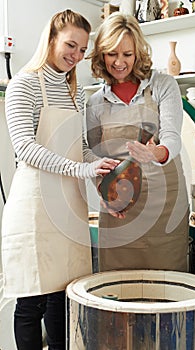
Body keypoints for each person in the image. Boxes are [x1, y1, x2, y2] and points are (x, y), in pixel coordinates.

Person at [1, 9, 119, 350]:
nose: (76, 56)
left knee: (61, 297)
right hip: (36, 204)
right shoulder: (23, 84)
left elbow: (78, 147)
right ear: (51, 38)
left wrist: (102, 167)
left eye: (83, 50)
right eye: (70, 45)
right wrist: (82, 170)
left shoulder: (75, 92)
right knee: (32, 300)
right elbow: (25, 148)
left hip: (68, 204)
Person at [86, 12, 189, 273]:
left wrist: (157, 152)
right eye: (112, 54)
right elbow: (91, 154)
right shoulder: (96, 102)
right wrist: (103, 190)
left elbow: (172, 138)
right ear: (101, 54)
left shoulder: (163, 85)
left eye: (127, 54)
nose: (119, 62)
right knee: (118, 286)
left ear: (138, 53)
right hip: (119, 204)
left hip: (164, 205)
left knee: (167, 284)